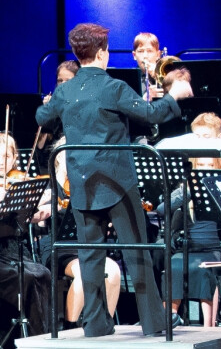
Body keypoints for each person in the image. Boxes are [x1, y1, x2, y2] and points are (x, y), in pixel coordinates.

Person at [36, 23, 194, 337]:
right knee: (137, 250)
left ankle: (96, 324)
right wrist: (174, 96)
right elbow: (150, 114)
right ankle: (154, 322)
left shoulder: (66, 91)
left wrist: (50, 106)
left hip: (82, 183)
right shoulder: (113, 87)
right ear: (101, 53)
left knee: (90, 256)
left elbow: (43, 118)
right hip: (118, 183)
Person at [36, 136, 122, 329]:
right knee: (85, 273)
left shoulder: (87, 186)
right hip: (56, 246)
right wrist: (47, 207)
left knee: (113, 271)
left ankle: (104, 325)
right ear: (59, 158)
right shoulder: (48, 186)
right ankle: (70, 328)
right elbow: (35, 219)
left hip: (85, 244)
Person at [0, 133, 52, 339]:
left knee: (42, 273)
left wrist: (40, 211)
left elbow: (29, 218)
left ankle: (38, 338)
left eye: (6, 156)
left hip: (14, 250)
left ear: (14, 158)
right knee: (26, 277)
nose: (1, 162)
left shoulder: (17, 183)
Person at [131, 32, 164, 100]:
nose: (145, 56)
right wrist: (146, 98)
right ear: (134, 55)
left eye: (149, 51)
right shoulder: (129, 80)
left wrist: (157, 75)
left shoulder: (168, 75)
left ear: (158, 55)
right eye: (140, 51)